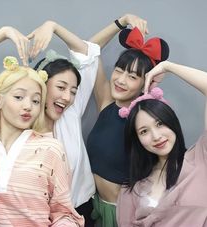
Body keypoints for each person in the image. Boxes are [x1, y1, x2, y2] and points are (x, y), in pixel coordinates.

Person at [27, 15, 150, 227]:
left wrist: (54, 25)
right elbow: (89, 51)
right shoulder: (23, 129)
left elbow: (86, 52)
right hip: (44, 215)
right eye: (119, 71)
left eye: (73, 91)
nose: (67, 96)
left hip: (89, 210)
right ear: (42, 86)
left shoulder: (70, 113)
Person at [0, 26, 84, 226]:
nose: (28, 106)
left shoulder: (51, 149)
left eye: (36, 101)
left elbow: (63, 213)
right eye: (19, 96)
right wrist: (3, 32)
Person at [87, 23, 170, 226]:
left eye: (132, 77)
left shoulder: (144, 119)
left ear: (145, 83)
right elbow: (88, 49)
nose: (121, 80)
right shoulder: (106, 101)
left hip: (125, 215)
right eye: (119, 70)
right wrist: (120, 22)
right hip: (95, 206)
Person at [117, 61, 207, 227]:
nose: (156, 136)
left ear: (171, 122)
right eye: (144, 131)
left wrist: (168, 66)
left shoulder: (200, 158)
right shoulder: (133, 187)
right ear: (137, 139)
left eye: (160, 124)